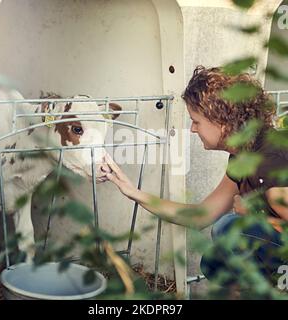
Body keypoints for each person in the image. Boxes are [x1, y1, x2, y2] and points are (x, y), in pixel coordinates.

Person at [105, 66, 288, 289]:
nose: (193, 129)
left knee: (229, 227)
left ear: (222, 121)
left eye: (196, 121)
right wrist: (133, 192)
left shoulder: (271, 162)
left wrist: (252, 217)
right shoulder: (243, 157)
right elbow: (199, 216)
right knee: (214, 263)